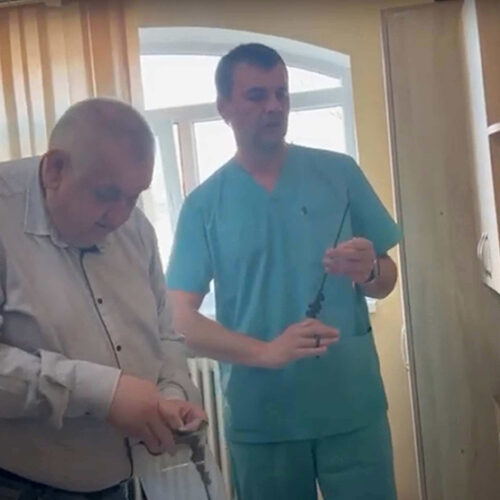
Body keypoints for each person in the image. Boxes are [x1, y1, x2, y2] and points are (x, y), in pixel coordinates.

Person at [166, 43, 401, 500]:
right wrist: (266, 352)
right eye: (257, 95)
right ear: (225, 107)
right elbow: (179, 321)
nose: (274, 106)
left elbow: (388, 280)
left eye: (282, 94)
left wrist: (371, 269)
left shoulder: (340, 173)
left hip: (351, 407)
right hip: (263, 418)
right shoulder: (203, 206)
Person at [0, 98, 206, 499]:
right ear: (55, 169)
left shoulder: (136, 227)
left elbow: (165, 335)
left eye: (135, 196)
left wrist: (173, 395)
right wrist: (100, 390)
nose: (120, 217)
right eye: (107, 194)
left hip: (138, 480)